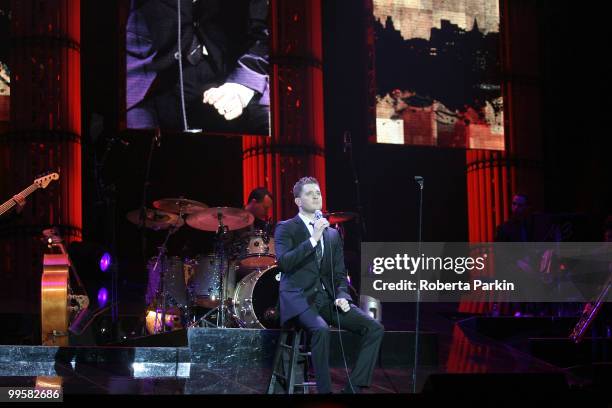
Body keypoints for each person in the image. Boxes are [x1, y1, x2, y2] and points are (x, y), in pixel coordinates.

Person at [274, 176, 384, 394]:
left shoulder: (332, 235)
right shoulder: (286, 228)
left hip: (326, 300)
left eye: (318, 193)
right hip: (299, 299)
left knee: (374, 328)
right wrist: (313, 238)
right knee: (321, 330)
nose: (316, 196)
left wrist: (343, 295)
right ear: (298, 201)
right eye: (309, 193)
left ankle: (353, 389)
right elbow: (284, 263)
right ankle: (325, 393)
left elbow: (339, 274)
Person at [126, 0, 269, 134]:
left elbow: (265, 30)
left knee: (269, 128)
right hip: (149, 77)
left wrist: (242, 85)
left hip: (228, 70)